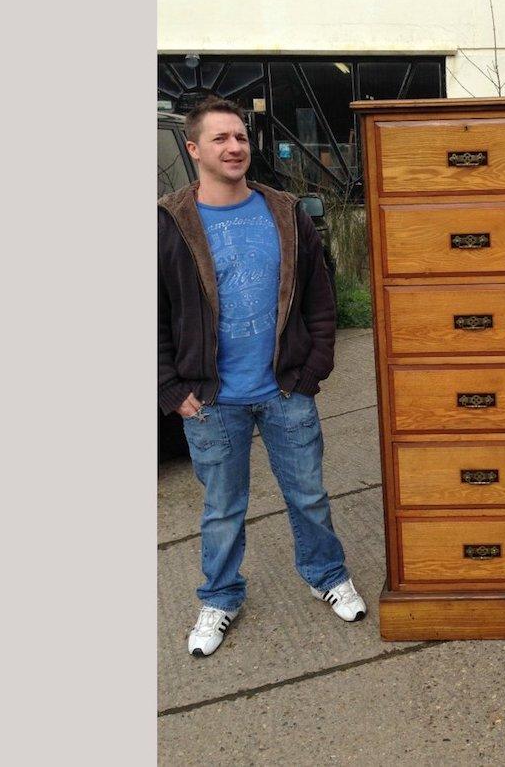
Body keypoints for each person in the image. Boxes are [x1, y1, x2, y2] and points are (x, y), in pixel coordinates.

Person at [158, 96, 365, 658]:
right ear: (194, 149)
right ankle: (219, 597)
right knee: (222, 508)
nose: (235, 147)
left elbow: (319, 298)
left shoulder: (284, 211)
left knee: (309, 495)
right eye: (221, 139)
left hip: (284, 391)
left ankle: (326, 575)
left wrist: (312, 367)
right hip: (211, 400)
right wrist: (172, 392)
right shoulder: (170, 222)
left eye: (241, 137)